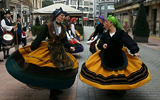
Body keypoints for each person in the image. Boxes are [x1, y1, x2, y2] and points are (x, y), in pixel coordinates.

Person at [5, 8, 78, 100]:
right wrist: (33, 48)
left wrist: (70, 46)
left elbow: (64, 40)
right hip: (50, 49)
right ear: (56, 16)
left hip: (60, 50)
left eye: (64, 16)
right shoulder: (48, 26)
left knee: (62, 69)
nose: (64, 17)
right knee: (52, 70)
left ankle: (56, 88)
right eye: (62, 16)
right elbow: (39, 38)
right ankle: (52, 93)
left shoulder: (64, 27)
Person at [79, 15, 151, 97]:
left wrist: (134, 51)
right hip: (107, 56)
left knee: (119, 74)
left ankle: (120, 90)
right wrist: (102, 45)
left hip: (118, 56)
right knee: (109, 74)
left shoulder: (120, 33)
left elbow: (129, 41)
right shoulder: (105, 34)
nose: (105, 23)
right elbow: (100, 43)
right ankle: (112, 89)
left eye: (107, 22)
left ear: (111, 23)